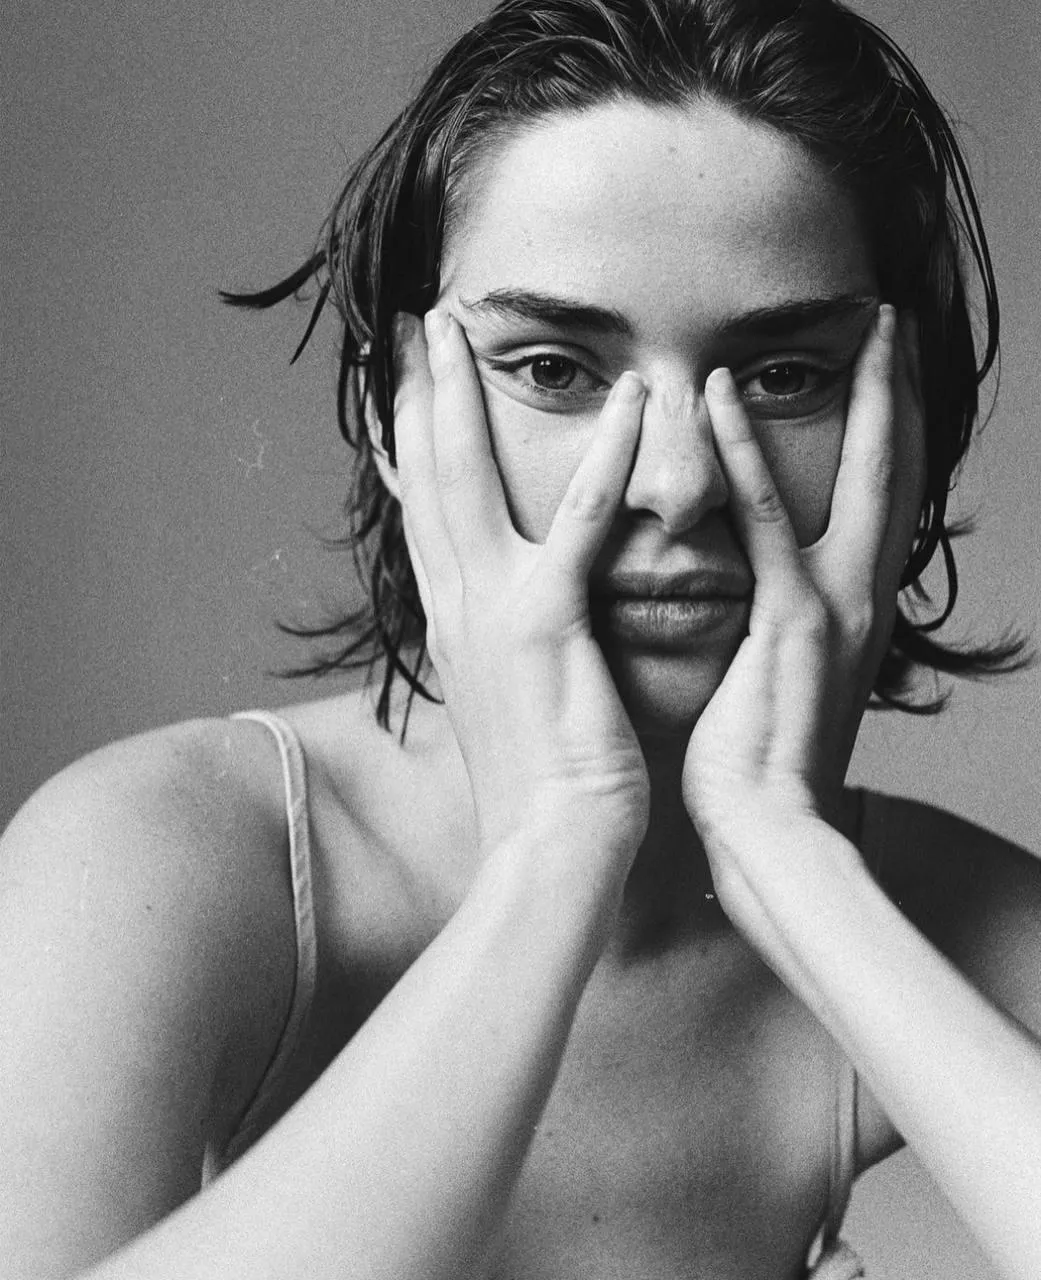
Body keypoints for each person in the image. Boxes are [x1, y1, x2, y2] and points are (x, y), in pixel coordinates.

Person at [2, 1, 1038, 1278]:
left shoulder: (942, 916)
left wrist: (788, 855)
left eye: (783, 377)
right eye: (554, 367)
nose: (675, 481)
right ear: (399, 414)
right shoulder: (158, 859)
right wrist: (552, 855)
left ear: (912, 425)